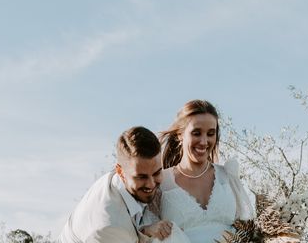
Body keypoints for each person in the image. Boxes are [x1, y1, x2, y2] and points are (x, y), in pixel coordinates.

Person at [157, 100, 255, 243]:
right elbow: (146, 231)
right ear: (180, 134)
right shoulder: (161, 182)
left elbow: (247, 228)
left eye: (210, 133)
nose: (204, 141)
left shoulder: (227, 177)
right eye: (196, 133)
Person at [58, 126, 174, 243]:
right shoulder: (109, 227)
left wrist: (145, 231)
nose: (151, 184)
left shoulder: (119, 179)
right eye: (141, 177)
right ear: (120, 172)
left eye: (156, 173)